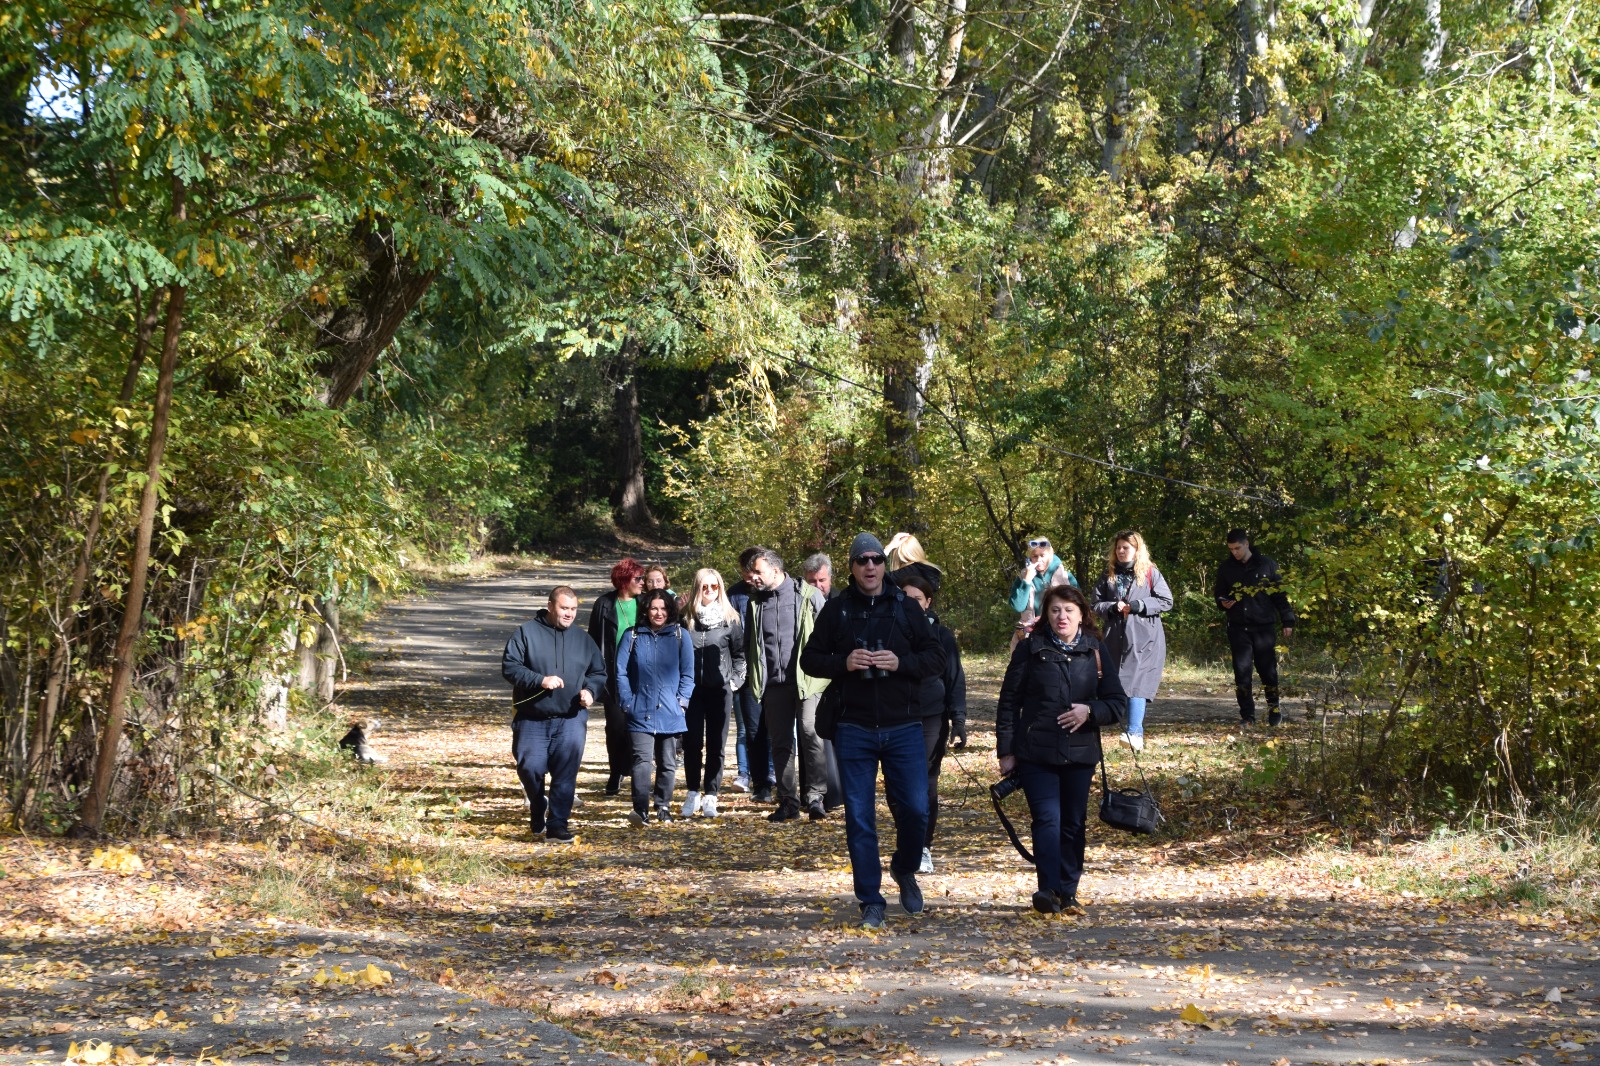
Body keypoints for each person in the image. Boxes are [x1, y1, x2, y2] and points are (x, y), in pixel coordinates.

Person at [801, 533, 947, 929]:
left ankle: (904, 868)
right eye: (862, 560)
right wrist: (843, 662)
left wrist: (901, 663)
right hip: (854, 727)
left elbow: (936, 657)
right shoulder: (837, 609)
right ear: (851, 567)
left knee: (916, 809)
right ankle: (871, 901)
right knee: (860, 818)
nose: (870, 566)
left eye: (876, 559)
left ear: (884, 564)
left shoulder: (905, 606)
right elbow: (810, 659)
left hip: (904, 725)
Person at [995, 584, 1128, 914]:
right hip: (1036, 752)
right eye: (1055, 610)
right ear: (1047, 615)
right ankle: (1048, 890)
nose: (1062, 616)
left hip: (1080, 753)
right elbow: (1009, 701)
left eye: (1069, 610)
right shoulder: (1030, 648)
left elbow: (1117, 703)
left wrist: (1090, 711)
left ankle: (1068, 892)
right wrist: (1006, 750)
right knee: (1047, 819)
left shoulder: (1095, 649)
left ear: (1082, 614)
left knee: (1073, 822)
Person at [500, 586, 607, 844]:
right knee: (530, 769)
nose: (569, 614)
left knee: (565, 774)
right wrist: (540, 680)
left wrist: (590, 691)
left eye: (573, 609)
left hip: (571, 718)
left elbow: (598, 672)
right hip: (532, 718)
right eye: (564, 608)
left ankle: (558, 825)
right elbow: (510, 667)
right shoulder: (526, 633)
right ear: (550, 606)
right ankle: (538, 804)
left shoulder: (583, 639)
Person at [745, 548, 830, 821]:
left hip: (808, 680)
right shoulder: (755, 603)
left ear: (775, 569)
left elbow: (830, 635)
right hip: (773, 684)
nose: (754, 577)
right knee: (780, 742)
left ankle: (815, 798)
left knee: (810, 733)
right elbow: (751, 645)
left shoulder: (808, 595)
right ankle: (788, 802)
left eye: (758, 572)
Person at [895, 576, 966, 875]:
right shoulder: (890, 631)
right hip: (895, 715)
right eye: (905, 598)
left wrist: (958, 719)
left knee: (925, 783)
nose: (911, 604)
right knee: (899, 785)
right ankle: (907, 842)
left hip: (931, 716)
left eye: (917, 599)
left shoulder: (941, 635)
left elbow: (954, 678)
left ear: (928, 603)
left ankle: (923, 846)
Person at [616, 589, 695, 825]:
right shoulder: (632, 635)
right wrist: (628, 701)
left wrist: (681, 702)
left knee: (667, 762)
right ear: (646, 610)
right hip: (639, 709)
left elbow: (688, 674)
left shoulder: (680, 635)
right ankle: (640, 809)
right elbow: (620, 672)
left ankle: (663, 806)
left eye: (663, 608)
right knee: (641, 761)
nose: (658, 613)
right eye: (654, 608)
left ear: (670, 611)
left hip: (670, 710)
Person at [1091, 531, 1173, 751]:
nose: (1120, 551)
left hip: (1145, 637)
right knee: (1119, 682)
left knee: (1137, 682)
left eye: (1125, 547)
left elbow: (1166, 601)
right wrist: (1111, 606)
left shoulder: (1150, 572)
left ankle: (1135, 732)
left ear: (1137, 550)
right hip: (1115, 637)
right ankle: (1128, 729)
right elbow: (1095, 604)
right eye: (1118, 547)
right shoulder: (1108, 574)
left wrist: (1139, 605)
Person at [1213, 529, 1296, 725]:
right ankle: (1247, 716)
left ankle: (1274, 710)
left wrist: (1288, 620)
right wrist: (1223, 602)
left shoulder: (1267, 564)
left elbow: (1279, 595)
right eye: (1231, 549)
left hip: (1263, 627)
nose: (1235, 552)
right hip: (1238, 627)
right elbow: (1219, 593)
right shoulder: (1226, 568)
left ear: (1246, 544)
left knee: (1268, 671)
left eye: (1237, 548)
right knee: (1242, 673)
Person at [681, 568, 746, 818]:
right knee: (692, 743)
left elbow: (740, 655)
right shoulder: (686, 618)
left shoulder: (731, 619)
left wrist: (735, 682)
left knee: (716, 744)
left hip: (720, 691)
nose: (709, 591)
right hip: (692, 691)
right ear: (697, 588)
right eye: (704, 586)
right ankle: (692, 792)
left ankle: (711, 794)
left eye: (714, 586)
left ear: (720, 588)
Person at [589, 558, 646, 794]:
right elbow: (593, 641)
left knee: (640, 726)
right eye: (638, 578)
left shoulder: (646, 603)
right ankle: (616, 772)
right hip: (613, 674)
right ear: (624, 580)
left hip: (642, 674)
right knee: (615, 726)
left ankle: (637, 774)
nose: (642, 582)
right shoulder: (604, 604)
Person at [726, 547, 772, 799]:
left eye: (753, 571)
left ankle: (783, 782)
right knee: (752, 730)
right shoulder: (734, 595)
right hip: (746, 672)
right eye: (745, 572)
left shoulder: (777, 592)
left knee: (781, 731)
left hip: (776, 671)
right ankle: (760, 783)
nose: (749, 577)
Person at [1008, 536, 1077, 648]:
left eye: (1042, 555)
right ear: (1030, 558)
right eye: (1035, 556)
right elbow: (1018, 606)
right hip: (1030, 633)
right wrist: (1027, 580)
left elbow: (1078, 607)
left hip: (1059, 632)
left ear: (1050, 555)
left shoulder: (1066, 577)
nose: (1039, 559)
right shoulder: (1022, 577)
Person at [885, 532, 943, 597]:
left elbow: (878, 577)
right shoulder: (930, 572)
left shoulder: (909, 571)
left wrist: (888, 548)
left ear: (897, 556)